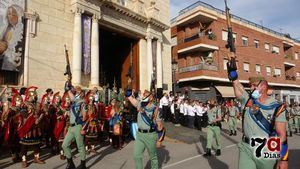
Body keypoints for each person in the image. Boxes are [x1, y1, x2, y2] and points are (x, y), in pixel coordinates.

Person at [227, 57, 288, 169]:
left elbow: (281, 134)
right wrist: (233, 77)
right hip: (246, 148)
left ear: (263, 86)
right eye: (250, 85)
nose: (251, 88)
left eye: (254, 86)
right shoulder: (248, 100)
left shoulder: (277, 106)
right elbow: (239, 89)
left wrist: (283, 159)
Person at [126, 89, 161, 169]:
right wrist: (128, 94)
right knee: (136, 156)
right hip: (140, 135)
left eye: (145, 95)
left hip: (150, 135)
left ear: (151, 98)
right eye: (143, 95)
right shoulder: (140, 104)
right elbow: (132, 99)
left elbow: (159, 125)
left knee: (153, 157)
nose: (143, 96)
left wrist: (159, 140)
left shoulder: (155, 109)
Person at [18, 86, 45, 168]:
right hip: (28, 127)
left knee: (37, 144)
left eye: (35, 95)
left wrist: (40, 117)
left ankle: (36, 158)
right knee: (24, 145)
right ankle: (24, 160)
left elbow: (42, 113)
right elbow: (23, 114)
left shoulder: (38, 104)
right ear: (29, 95)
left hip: (36, 128)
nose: (34, 97)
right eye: (32, 95)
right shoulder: (24, 104)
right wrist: (33, 118)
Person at [62, 86, 87, 169]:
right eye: (75, 92)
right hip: (71, 127)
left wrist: (84, 128)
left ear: (81, 93)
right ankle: (71, 164)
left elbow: (85, 117)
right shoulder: (73, 104)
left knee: (80, 146)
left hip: (78, 126)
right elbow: (70, 94)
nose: (75, 93)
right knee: (65, 145)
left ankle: (83, 165)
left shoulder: (82, 102)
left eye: (77, 92)